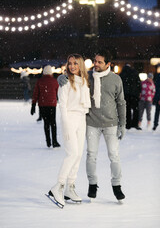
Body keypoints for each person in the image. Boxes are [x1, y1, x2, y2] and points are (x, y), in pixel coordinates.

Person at [58, 50, 126, 202]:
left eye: (99, 62)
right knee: (90, 155)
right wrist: (60, 76)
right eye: (95, 61)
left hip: (111, 123)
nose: (95, 64)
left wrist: (123, 124)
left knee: (114, 155)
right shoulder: (88, 77)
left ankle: (117, 186)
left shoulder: (116, 79)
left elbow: (121, 102)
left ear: (108, 64)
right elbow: (72, 75)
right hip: (92, 123)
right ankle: (92, 185)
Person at [47, 54, 91, 208]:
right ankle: (58, 186)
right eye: (70, 63)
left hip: (81, 119)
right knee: (71, 153)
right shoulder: (65, 82)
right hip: (70, 119)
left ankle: (70, 187)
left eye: (75, 63)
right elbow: (63, 106)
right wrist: (66, 125)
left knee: (78, 154)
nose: (72, 66)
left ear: (80, 65)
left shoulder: (84, 81)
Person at [30, 65, 60, 148]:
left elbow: (36, 93)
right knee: (53, 123)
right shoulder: (55, 81)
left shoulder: (40, 81)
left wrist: (33, 104)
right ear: (51, 72)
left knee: (46, 123)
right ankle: (54, 141)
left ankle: (48, 141)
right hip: (52, 104)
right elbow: (58, 92)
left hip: (42, 104)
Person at [120, 64, 141, 130]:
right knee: (136, 109)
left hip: (126, 94)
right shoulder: (134, 72)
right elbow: (138, 83)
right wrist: (138, 91)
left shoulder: (122, 74)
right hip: (134, 94)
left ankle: (127, 124)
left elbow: (120, 85)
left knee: (127, 109)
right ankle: (135, 123)